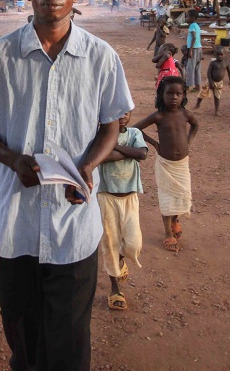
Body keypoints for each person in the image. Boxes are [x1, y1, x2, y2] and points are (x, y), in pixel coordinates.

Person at [0, 0, 133, 370]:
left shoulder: (101, 58)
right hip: (15, 222)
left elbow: (111, 126)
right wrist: (13, 159)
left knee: (70, 338)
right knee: (22, 333)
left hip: (73, 223)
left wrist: (88, 167)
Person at [134, 76, 199, 253]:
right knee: (167, 198)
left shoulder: (185, 114)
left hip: (181, 165)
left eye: (178, 93)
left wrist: (188, 142)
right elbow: (136, 128)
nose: (174, 97)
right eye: (169, 93)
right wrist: (154, 144)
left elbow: (195, 125)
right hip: (166, 164)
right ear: (161, 95)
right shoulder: (159, 116)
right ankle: (167, 233)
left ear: (184, 95)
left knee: (180, 194)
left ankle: (175, 220)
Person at [97, 111, 147, 311]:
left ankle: (121, 260)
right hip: (106, 196)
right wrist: (127, 151)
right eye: (116, 112)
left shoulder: (134, 133)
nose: (122, 116)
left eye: (126, 112)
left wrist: (114, 146)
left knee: (133, 244)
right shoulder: (100, 134)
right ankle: (115, 289)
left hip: (129, 197)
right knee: (110, 243)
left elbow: (142, 154)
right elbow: (101, 158)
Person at [194, 45, 230, 116]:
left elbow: (229, 72)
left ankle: (217, 110)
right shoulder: (213, 63)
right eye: (218, 55)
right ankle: (198, 104)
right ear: (215, 55)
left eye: (221, 55)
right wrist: (211, 82)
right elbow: (208, 72)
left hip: (219, 83)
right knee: (203, 92)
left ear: (224, 54)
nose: (220, 56)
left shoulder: (226, 63)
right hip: (210, 80)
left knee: (217, 96)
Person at [184, 10, 203, 93]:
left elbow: (194, 37)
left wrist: (190, 50)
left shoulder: (192, 26)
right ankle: (198, 86)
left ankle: (187, 87)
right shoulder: (197, 25)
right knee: (197, 68)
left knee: (190, 68)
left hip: (194, 49)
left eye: (187, 16)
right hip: (198, 48)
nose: (186, 18)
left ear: (193, 18)